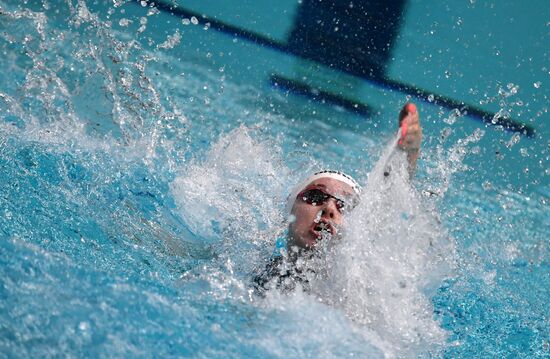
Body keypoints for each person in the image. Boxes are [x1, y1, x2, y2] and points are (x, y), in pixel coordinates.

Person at [253, 102, 423, 293]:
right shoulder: (253, 273)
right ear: (290, 208)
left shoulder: (364, 291)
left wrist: (406, 156)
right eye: (316, 195)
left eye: (346, 206)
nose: (329, 209)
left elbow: (388, 201)